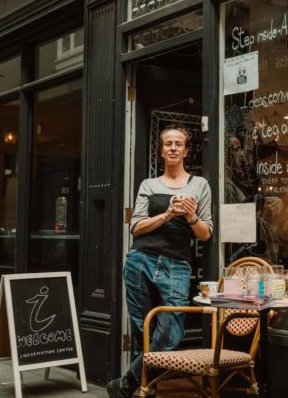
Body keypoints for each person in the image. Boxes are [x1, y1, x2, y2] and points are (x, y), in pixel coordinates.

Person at [107, 126, 212, 398]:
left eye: (179, 144)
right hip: (140, 260)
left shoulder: (199, 185)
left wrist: (190, 216)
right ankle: (145, 392)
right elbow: (136, 227)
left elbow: (206, 234)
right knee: (142, 328)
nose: (173, 148)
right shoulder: (149, 185)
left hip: (177, 264)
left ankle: (128, 383)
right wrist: (167, 214)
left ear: (187, 151)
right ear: (162, 151)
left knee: (171, 332)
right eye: (168, 144)